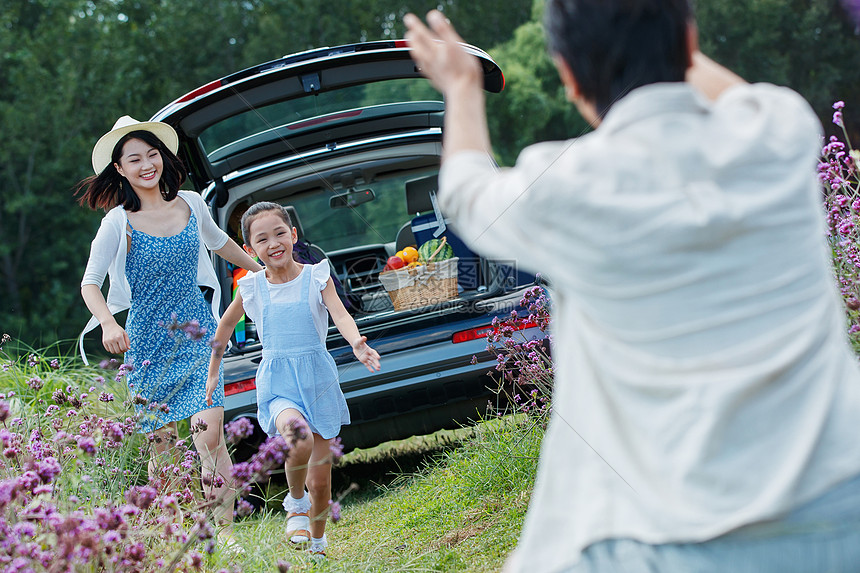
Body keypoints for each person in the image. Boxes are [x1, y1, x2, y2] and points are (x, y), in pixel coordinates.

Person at [405, 3, 860, 572]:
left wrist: (462, 87)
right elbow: (731, 94)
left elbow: (467, 192)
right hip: (844, 501)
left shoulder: (565, 184)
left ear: (567, 77)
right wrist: (661, 32)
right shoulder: (778, 127)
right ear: (690, 38)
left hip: (671, 542)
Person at [77, 115, 263, 548]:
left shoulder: (192, 204)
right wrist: (107, 321)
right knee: (163, 443)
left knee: (210, 433)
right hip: (146, 341)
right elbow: (90, 282)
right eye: (135, 159)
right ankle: (172, 531)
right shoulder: (116, 223)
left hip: (198, 334)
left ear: (163, 157)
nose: (147, 164)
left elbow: (220, 243)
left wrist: (265, 271)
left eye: (152, 154)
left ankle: (226, 534)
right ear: (120, 169)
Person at [206, 201, 381, 557]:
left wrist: (357, 343)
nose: (274, 243)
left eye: (280, 233)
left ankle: (317, 542)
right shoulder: (252, 287)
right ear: (250, 250)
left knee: (321, 482)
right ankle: (295, 502)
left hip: (318, 380)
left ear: (293, 235)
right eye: (262, 239)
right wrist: (212, 373)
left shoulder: (317, 276)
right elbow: (223, 328)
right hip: (278, 382)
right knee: (296, 438)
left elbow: (341, 314)